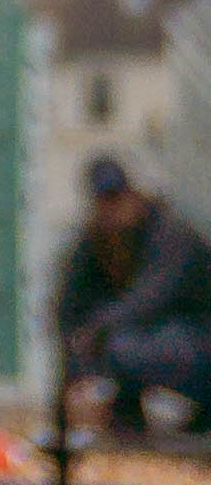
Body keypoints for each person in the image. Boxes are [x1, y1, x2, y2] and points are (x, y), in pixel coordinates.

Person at [55, 155, 211, 428]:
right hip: (162, 339)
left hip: (198, 340)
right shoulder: (95, 241)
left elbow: (149, 301)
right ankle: (127, 420)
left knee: (121, 346)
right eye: (106, 202)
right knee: (105, 345)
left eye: (118, 198)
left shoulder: (170, 233)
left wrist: (95, 329)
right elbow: (69, 310)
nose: (114, 210)